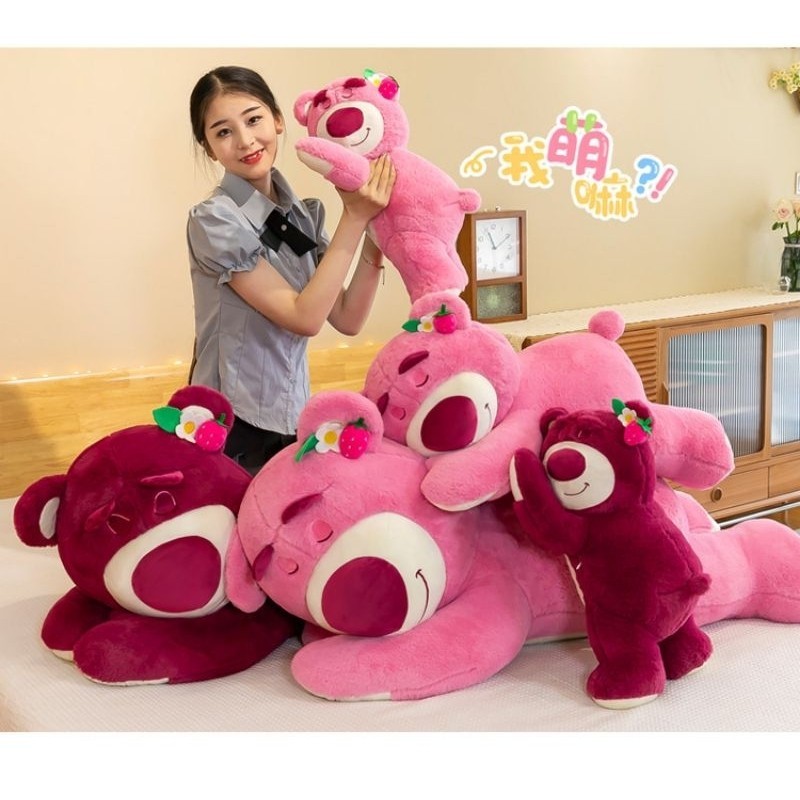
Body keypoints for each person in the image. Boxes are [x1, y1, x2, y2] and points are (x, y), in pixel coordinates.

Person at [186, 66, 396, 473]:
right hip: (229, 425)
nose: (245, 140)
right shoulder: (215, 220)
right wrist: (354, 218)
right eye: (223, 131)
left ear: (278, 120)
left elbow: (348, 317)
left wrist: (376, 227)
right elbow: (304, 318)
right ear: (209, 148)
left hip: (290, 414)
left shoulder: (299, 216)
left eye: (253, 120)